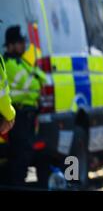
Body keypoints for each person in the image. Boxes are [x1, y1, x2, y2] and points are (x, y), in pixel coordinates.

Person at [3, 25, 46, 186]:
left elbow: (41, 78)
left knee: (26, 153)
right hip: (18, 114)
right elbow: (34, 84)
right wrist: (36, 80)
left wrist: (36, 79)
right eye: (20, 43)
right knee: (20, 155)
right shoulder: (8, 63)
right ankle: (17, 185)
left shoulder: (20, 62)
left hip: (27, 115)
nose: (23, 46)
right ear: (11, 45)